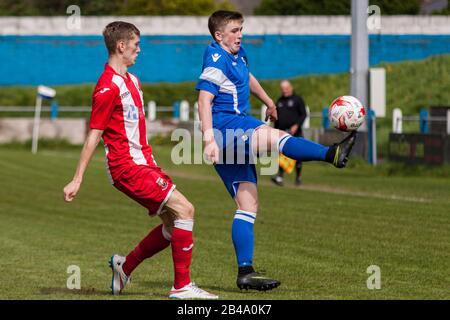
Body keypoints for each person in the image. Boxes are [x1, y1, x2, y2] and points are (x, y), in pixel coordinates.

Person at [196, 10, 356, 291]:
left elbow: (248, 75)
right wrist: (209, 139)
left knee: (248, 206)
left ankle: (245, 272)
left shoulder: (238, 54)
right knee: (275, 137)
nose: (240, 35)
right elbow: (203, 99)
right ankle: (330, 154)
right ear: (219, 35)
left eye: (241, 29)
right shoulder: (216, 59)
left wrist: (269, 100)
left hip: (234, 127)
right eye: (234, 31)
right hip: (227, 129)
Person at [63, 21, 217, 300]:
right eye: (136, 44)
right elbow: (93, 136)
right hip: (127, 167)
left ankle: (125, 266)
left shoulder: (132, 80)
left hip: (144, 163)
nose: (139, 49)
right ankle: (182, 287)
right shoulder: (106, 87)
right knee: (186, 209)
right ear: (121, 46)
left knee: (173, 225)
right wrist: (77, 179)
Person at [271, 80, 307, 187]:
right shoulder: (279, 101)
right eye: (282, 89)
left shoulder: (298, 99)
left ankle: (298, 178)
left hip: (296, 132)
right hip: (282, 133)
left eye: (286, 88)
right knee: (282, 154)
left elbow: (303, 114)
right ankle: (280, 177)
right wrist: (275, 130)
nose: (284, 91)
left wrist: (296, 125)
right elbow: (277, 118)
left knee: (298, 154)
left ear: (291, 87)